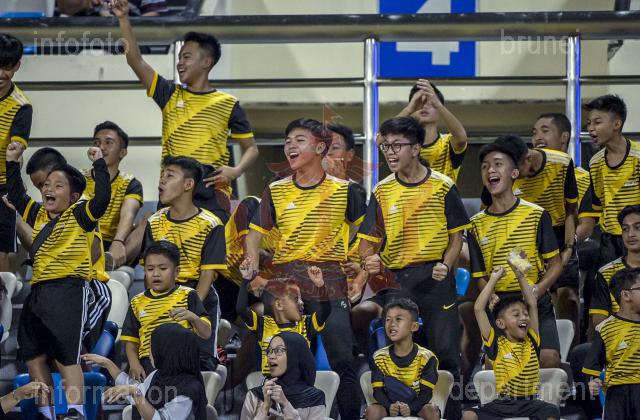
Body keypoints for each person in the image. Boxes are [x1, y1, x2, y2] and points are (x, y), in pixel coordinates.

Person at [245, 118, 367, 420]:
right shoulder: (275, 190)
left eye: (299, 140)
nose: (290, 146)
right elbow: (254, 235)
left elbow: (368, 236)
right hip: (285, 283)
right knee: (283, 362)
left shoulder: (347, 190)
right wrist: (253, 268)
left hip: (329, 280)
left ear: (320, 147)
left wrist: (360, 274)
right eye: (287, 141)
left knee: (342, 359)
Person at [356, 116, 469, 419]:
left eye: (397, 145)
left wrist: (446, 264)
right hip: (396, 281)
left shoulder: (443, 186)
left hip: (435, 278)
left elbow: (456, 236)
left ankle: (451, 414)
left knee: (445, 354)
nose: (390, 152)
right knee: (399, 355)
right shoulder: (381, 191)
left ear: (416, 148)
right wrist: (369, 260)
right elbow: (368, 242)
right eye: (386, 146)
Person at [112, 0, 258, 222]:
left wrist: (236, 171)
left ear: (206, 62)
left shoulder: (228, 103)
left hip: (212, 187)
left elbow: (251, 149)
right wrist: (123, 18)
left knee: (210, 241)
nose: (180, 62)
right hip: (173, 185)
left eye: (186, 57)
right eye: (179, 57)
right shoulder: (169, 94)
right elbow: (135, 60)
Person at [6, 144, 110, 420]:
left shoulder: (80, 214)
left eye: (58, 185)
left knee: (66, 357)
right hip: (38, 292)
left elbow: (102, 199)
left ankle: (75, 411)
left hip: (68, 291)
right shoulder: (38, 214)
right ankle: (45, 412)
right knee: (34, 356)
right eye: (46, 185)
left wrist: (99, 164)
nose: (48, 189)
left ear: (73, 196)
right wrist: (12, 162)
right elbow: (16, 195)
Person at [467, 137, 563, 369]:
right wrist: (490, 296)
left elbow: (555, 263)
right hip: (500, 304)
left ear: (514, 173)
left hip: (534, 300)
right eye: (485, 167)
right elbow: (480, 275)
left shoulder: (537, 214)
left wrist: (538, 290)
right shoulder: (475, 224)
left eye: (498, 164)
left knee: (548, 359)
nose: (490, 170)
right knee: (495, 365)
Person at [140, 156, 226, 368]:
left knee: (200, 364)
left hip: (198, 295)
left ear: (188, 184)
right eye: (162, 175)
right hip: (162, 294)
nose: (162, 180)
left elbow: (207, 275)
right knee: (157, 363)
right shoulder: (154, 222)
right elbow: (149, 272)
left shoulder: (211, 224)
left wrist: (192, 307)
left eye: (169, 176)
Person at [463, 262, 560, 420]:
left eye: (525, 314)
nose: (524, 317)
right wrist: (493, 279)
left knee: (551, 411)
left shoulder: (532, 339)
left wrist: (520, 275)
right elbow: (478, 309)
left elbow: (532, 303)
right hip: (502, 404)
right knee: (468, 415)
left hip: (531, 403)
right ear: (501, 323)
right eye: (516, 314)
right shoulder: (496, 343)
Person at [122, 240, 212, 377]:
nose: (156, 274)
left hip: (181, 361)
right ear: (144, 271)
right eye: (150, 269)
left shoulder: (188, 295)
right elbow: (131, 341)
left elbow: (206, 333)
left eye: (163, 269)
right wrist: (135, 365)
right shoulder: (136, 302)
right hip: (148, 364)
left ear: (176, 271)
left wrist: (193, 317)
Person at [88, 323, 208, 420]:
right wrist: (107, 364)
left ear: (167, 352)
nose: (149, 353)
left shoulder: (188, 391)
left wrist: (134, 392)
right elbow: (137, 392)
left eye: (153, 348)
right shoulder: (158, 375)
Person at [237, 260, 330, 374]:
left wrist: (320, 286)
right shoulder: (263, 325)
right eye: (296, 299)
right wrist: (246, 279)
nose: (302, 302)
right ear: (279, 305)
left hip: (299, 383)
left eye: (301, 298)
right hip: (271, 382)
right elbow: (241, 309)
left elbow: (326, 310)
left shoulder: (306, 324)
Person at [579, 95, 640, 266]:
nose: (591, 128)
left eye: (597, 122)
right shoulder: (595, 162)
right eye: (589, 123)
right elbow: (598, 204)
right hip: (610, 242)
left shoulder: (637, 157)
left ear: (616, 124)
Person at [366, 298, 440, 420]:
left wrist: (411, 408)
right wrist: (390, 406)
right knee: (372, 411)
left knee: (431, 410)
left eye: (398, 319)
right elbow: (377, 391)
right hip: (389, 406)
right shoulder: (379, 357)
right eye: (388, 319)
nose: (392, 324)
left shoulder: (427, 357)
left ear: (414, 326)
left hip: (417, 406)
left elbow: (426, 394)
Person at [84, 121, 143, 269]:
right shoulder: (78, 178)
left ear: (122, 152)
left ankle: (110, 262)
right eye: (97, 143)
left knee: (149, 219)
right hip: (83, 241)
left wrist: (118, 242)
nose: (101, 147)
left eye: (108, 142)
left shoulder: (130, 183)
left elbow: (128, 214)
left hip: (114, 245)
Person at [583, 268, 640, 420]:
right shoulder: (606, 328)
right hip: (617, 393)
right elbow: (593, 363)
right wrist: (592, 381)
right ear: (626, 295)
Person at [0, 33, 33, 272]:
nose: (1, 74)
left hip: (2, 189)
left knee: (1, 253)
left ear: (17, 66)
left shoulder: (22, 105)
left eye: (7, 67)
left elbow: (17, 147)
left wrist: (16, 151)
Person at [240, 331, 326, 420]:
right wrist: (265, 407)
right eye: (269, 351)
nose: (271, 356)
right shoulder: (254, 396)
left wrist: (286, 405)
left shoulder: (314, 398)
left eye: (279, 351)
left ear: (295, 355)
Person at [396, 79, 467, 183]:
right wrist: (409, 109)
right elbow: (382, 139)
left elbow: (462, 138)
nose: (424, 106)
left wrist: (438, 104)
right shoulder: (403, 145)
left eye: (431, 103)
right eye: (419, 102)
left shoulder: (447, 142)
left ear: (440, 110)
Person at [590, 205, 640, 327]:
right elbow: (599, 323)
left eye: (637, 228)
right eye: (625, 229)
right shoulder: (606, 273)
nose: (630, 234)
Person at [57, 0, 168, 16]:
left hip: (129, 38)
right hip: (84, 35)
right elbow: (64, 10)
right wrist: (84, 3)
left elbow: (153, 15)